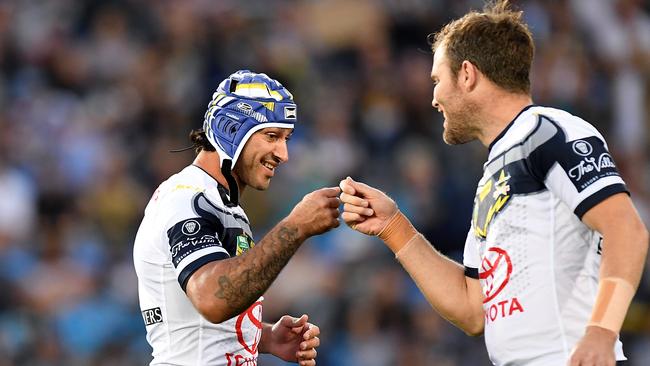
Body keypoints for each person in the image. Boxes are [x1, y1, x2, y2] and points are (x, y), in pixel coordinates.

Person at [339, 1, 649, 365]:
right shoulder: (494, 173)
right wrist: (394, 228)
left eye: (438, 80)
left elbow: (626, 228)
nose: (434, 98)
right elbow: (473, 310)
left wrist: (601, 331)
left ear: (467, 74)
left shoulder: (548, 132)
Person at [133, 70, 340, 366]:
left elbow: (197, 324)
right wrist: (296, 227)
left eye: (286, 139)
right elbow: (211, 299)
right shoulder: (187, 197)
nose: (283, 154)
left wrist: (264, 336)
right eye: (272, 136)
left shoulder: (219, 201)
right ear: (231, 130)